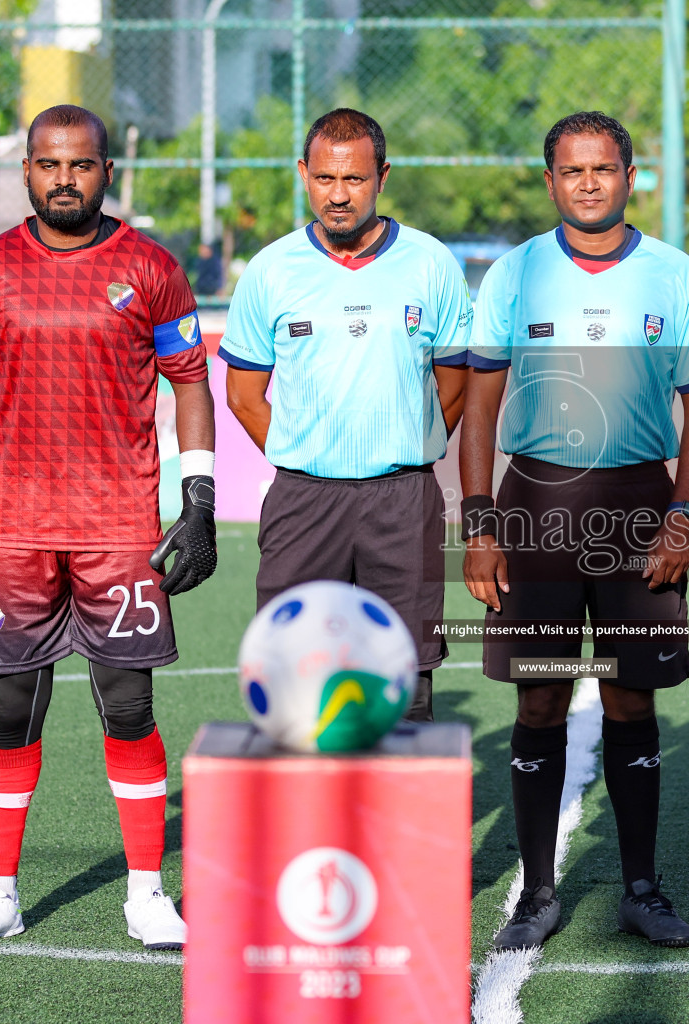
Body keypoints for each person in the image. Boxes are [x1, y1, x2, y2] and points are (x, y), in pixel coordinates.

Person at [0, 104, 217, 952]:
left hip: (120, 526)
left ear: (107, 172)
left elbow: (189, 382)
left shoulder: (151, 268)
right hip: (14, 529)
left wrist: (197, 499)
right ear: (25, 171)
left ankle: (147, 895)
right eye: (48, 164)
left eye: (80, 165)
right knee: (12, 710)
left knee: (128, 706)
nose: (64, 179)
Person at [461, 111, 689, 951]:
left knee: (629, 693)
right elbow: (479, 405)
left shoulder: (672, 274)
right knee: (540, 694)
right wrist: (480, 522)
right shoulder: (514, 273)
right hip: (533, 507)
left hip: (641, 507)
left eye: (603, 169)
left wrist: (683, 514)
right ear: (550, 182)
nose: (588, 183)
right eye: (572, 171)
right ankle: (538, 894)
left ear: (629, 176)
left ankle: (643, 889)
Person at [221, 108, 472, 722]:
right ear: (304, 175)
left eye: (355, 180)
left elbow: (457, 380)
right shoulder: (271, 269)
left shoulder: (430, 262)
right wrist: (310, 452)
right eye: (326, 179)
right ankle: (305, 818)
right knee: (292, 672)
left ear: (382, 176)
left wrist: (402, 443)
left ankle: (400, 816)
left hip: (402, 498)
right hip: (303, 501)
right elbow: (243, 396)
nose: (339, 196)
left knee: (407, 676)